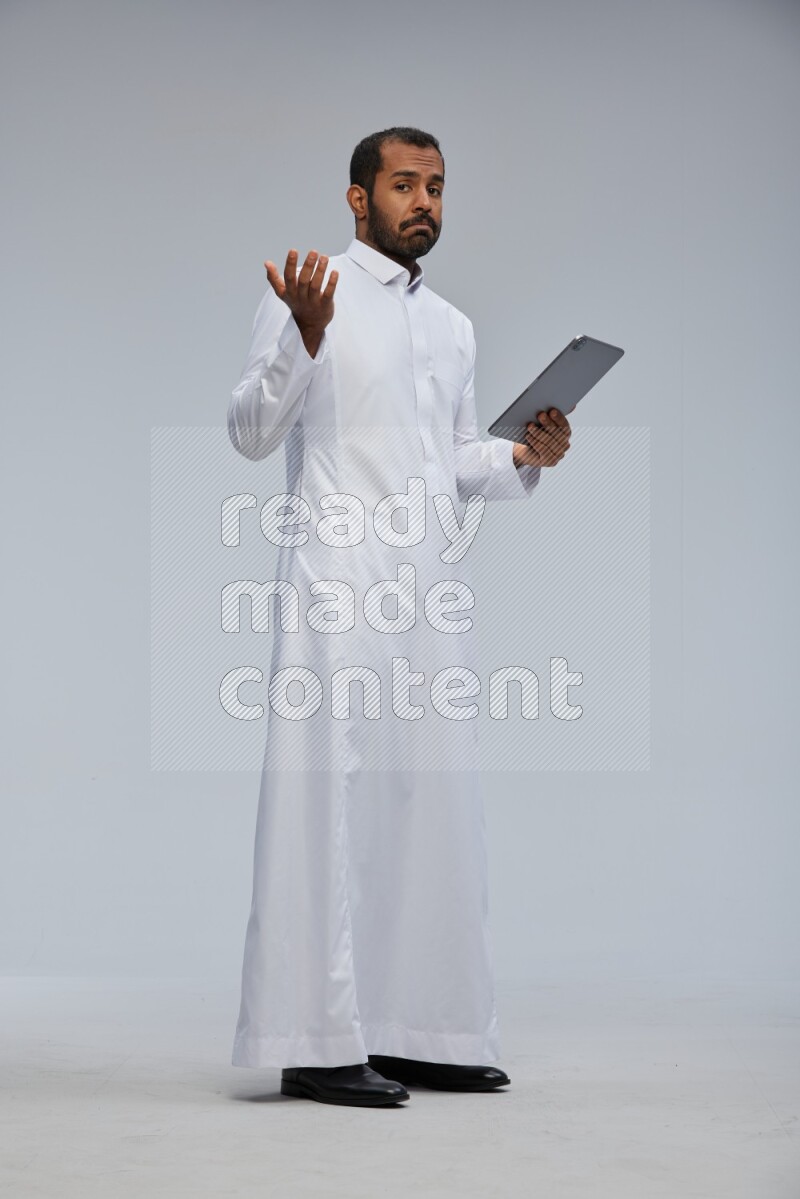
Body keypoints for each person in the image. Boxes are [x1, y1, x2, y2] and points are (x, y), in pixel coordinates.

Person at [227, 127, 572, 1107]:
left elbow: (453, 459)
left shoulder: (453, 327)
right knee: (325, 805)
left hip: (428, 590)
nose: (424, 202)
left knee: (429, 805)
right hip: (337, 585)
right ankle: (315, 1037)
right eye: (404, 184)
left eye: (437, 187)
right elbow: (250, 432)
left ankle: (423, 1027)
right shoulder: (310, 295)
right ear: (358, 197)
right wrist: (301, 338)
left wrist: (522, 453)